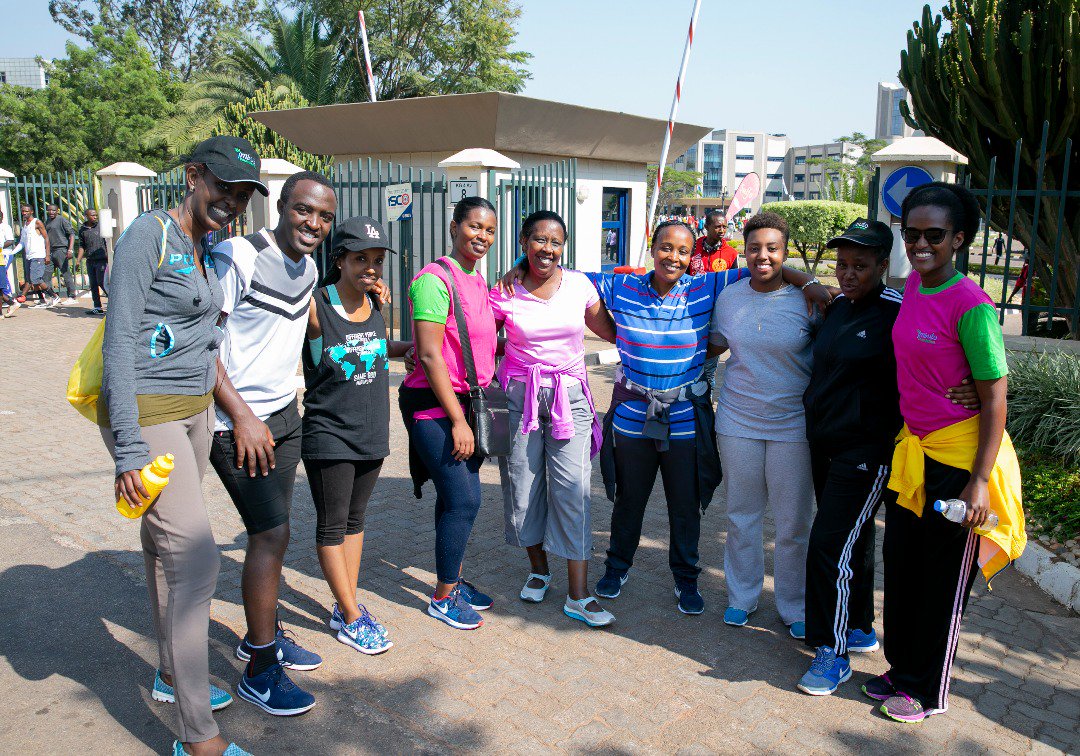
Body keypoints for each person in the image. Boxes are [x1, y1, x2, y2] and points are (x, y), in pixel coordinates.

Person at [100, 134, 264, 756]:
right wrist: (128, 452)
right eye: (225, 188)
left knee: (161, 545)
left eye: (244, 195)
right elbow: (119, 342)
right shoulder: (150, 234)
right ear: (194, 176)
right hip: (149, 417)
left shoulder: (206, 245)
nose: (233, 203)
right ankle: (199, 739)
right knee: (197, 561)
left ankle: (171, 671)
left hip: (194, 415)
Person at [590, 219, 829, 615]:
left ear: (692, 256)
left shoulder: (707, 286)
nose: (675, 257)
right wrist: (517, 265)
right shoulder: (622, 285)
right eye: (666, 248)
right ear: (653, 248)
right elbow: (565, 276)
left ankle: (685, 578)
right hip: (633, 414)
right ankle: (617, 567)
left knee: (685, 503)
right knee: (629, 499)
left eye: (683, 251)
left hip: (684, 416)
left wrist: (806, 281)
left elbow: (763, 265)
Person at [795, 218, 981, 696]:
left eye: (860, 265)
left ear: (883, 265)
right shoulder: (836, 307)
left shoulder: (897, 309)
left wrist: (974, 391)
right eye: (842, 264)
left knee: (828, 545)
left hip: (869, 451)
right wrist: (811, 280)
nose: (849, 274)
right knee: (850, 541)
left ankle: (830, 650)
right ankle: (857, 626)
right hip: (826, 444)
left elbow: (943, 350)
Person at [870, 182, 1025, 723]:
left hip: (960, 465)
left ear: (958, 239)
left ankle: (927, 690)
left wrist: (979, 482)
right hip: (915, 452)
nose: (920, 245)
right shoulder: (914, 285)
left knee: (940, 583)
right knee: (905, 568)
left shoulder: (972, 305)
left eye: (934, 235)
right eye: (911, 234)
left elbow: (996, 396)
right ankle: (902, 668)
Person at [209, 167, 334, 716]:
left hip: (285, 417)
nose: (314, 223)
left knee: (272, 536)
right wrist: (240, 415)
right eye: (304, 210)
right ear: (281, 207)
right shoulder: (238, 256)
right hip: (238, 423)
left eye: (325, 216)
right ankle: (260, 668)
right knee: (271, 534)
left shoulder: (307, 268)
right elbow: (200, 344)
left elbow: (299, 326)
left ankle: (262, 632)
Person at [490, 210, 617, 627]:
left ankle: (578, 596)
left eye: (556, 242)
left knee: (574, 489)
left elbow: (611, 331)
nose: (547, 249)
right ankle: (539, 569)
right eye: (539, 240)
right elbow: (481, 337)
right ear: (524, 241)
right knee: (523, 486)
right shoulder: (505, 289)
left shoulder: (579, 284)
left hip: (570, 396)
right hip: (518, 397)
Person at [709, 212, 821, 638]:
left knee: (793, 523)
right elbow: (716, 346)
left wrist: (808, 281)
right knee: (741, 515)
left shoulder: (808, 300)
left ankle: (793, 604)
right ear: (745, 248)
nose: (763, 256)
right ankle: (742, 596)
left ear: (785, 251)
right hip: (738, 421)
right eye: (755, 247)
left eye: (772, 248)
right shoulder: (730, 297)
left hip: (794, 425)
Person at [302, 215, 410, 654]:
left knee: (354, 522)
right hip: (329, 432)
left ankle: (345, 600)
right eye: (360, 258)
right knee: (331, 526)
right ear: (340, 259)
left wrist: (418, 352)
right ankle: (350, 615)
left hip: (371, 432)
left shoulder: (376, 305)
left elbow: (378, 352)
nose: (370, 268)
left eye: (377, 260)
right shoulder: (315, 307)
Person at [398, 196, 499, 631]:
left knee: (455, 498)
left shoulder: (476, 278)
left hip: (469, 402)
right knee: (465, 499)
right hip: (436, 406)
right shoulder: (433, 280)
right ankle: (443, 596)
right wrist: (457, 420)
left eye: (490, 230)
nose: (482, 236)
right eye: (474, 226)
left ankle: (452, 579)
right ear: (455, 226)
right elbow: (428, 354)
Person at [690, 210, 740, 393]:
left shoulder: (731, 254)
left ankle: (706, 414)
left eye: (724, 226)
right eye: (717, 226)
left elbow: (736, 283)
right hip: (692, 314)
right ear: (706, 227)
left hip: (716, 316)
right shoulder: (691, 248)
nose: (721, 230)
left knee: (709, 370)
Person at [12, 205, 58, 308]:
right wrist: (11, 253)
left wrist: (47, 255)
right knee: (31, 280)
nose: (24, 213)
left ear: (31, 212)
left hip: (38, 255)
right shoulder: (25, 225)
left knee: (36, 279)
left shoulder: (37, 222)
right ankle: (42, 300)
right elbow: (22, 242)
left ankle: (54, 296)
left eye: (26, 211)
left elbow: (46, 239)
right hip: (29, 256)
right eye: (23, 211)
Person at [77, 208, 109, 314]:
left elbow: (108, 242)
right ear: (86, 216)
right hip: (90, 260)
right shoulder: (83, 230)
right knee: (93, 284)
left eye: (96, 215)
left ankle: (114, 302)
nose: (95, 217)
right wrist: (78, 260)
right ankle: (97, 307)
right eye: (92, 215)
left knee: (102, 282)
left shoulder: (101, 227)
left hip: (102, 259)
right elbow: (82, 246)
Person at [45, 203, 78, 303]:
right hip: (50, 251)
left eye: (53, 210)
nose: (51, 212)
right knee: (46, 275)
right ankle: (50, 296)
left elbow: (71, 233)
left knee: (65, 273)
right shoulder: (47, 221)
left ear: (57, 211)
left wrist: (70, 249)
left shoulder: (61, 220)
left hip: (61, 249)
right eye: (49, 210)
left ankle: (72, 296)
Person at [0, 208, 18, 317]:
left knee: (2, 281)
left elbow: (10, 241)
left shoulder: (5, 227)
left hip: (4, 255)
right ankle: (10, 302)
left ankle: (9, 298)